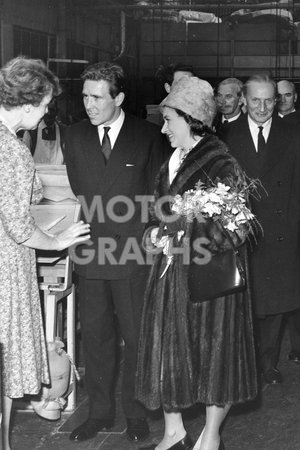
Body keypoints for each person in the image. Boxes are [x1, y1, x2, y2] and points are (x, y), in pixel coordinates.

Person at [136, 76, 257, 450]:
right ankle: (174, 431)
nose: (164, 127)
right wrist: (154, 234)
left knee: (214, 361)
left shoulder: (221, 163)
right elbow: (156, 216)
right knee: (168, 355)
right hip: (171, 277)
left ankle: (211, 435)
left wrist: (185, 231)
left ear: (190, 119)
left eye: (169, 119)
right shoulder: (171, 162)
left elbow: (237, 228)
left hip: (209, 282)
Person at [65, 61, 169, 443]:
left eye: (96, 97)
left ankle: (136, 412)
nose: (88, 104)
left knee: (136, 337)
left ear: (119, 98)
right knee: (95, 337)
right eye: (85, 96)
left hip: (132, 255)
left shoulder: (148, 135)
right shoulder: (73, 136)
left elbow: (160, 195)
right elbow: (79, 190)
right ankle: (99, 413)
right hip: (91, 255)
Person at [0, 56, 90, 450]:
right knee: (4, 370)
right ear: (27, 103)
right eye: (46, 103)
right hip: (6, 271)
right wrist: (59, 240)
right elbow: (20, 228)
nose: (48, 111)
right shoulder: (13, 152)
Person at [219, 73, 300, 385]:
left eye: (269, 100)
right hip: (244, 231)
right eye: (256, 100)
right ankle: (246, 363)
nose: (263, 107)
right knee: (247, 300)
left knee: (276, 301)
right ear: (243, 100)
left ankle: (267, 364)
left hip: (282, 230)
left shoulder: (292, 133)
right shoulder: (226, 137)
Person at [22, 97, 66, 164]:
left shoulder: (63, 131)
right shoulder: (31, 132)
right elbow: (24, 159)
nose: (49, 113)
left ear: (57, 111)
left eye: (52, 110)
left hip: (59, 173)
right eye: (47, 110)